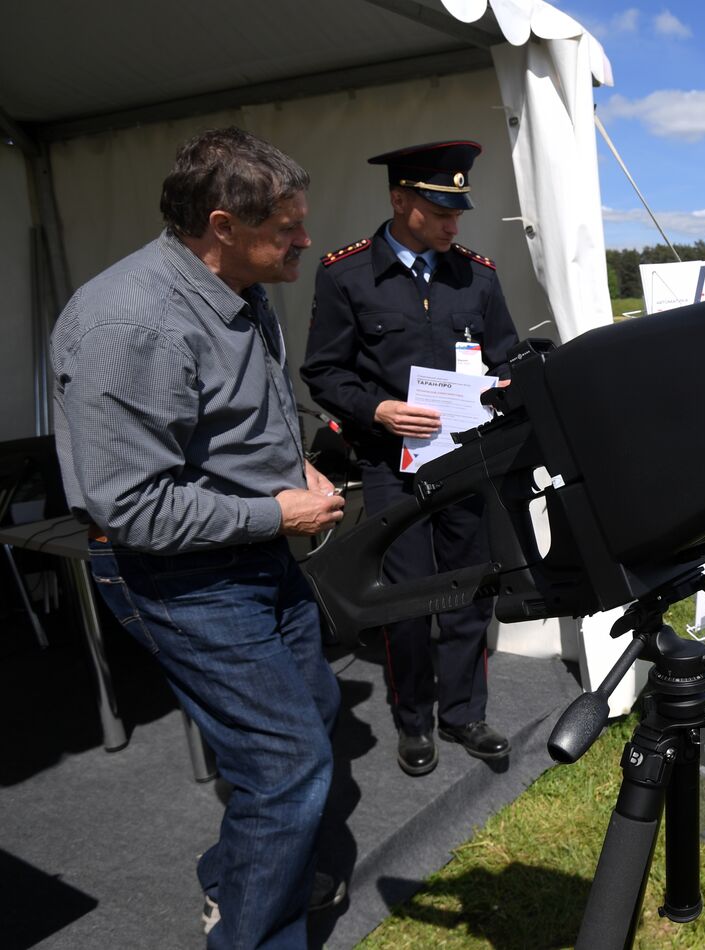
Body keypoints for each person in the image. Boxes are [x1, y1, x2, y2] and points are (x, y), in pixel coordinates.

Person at [50, 127, 346, 948]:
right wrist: (277, 512)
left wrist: (298, 470)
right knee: (287, 765)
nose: (305, 240)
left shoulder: (243, 286)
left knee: (314, 712)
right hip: (181, 576)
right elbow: (133, 510)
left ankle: (245, 871)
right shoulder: (131, 325)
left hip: (252, 553)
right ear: (222, 225)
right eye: (286, 227)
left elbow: (242, 416)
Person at [301, 140, 518, 776]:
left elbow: (503, 357)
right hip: (391, 466)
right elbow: (324, 370)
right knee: (406, 594)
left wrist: (500, 388)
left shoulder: (476, 276)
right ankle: (414, 720)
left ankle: (463, 715)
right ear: (401, 201)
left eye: (459, 211)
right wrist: (377, 410)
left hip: (465, 459)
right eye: (441, 210)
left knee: (470, 587)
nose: (455, 224)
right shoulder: (347, 275)